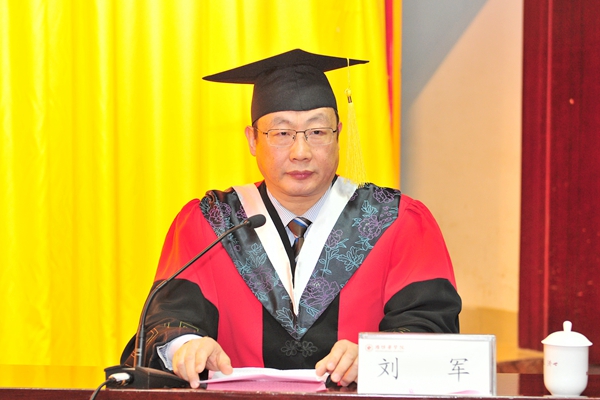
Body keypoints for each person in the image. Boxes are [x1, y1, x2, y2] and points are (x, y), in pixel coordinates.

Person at [120, 49, 461, 388]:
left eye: (317, 132)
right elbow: (167, 321)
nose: (301, 152)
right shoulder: (212, 223)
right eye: (281, 134)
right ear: (252, 140)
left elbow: (433, 329)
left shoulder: (398, 222)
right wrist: (186, 347)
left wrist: (376, 356)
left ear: (338, 134)